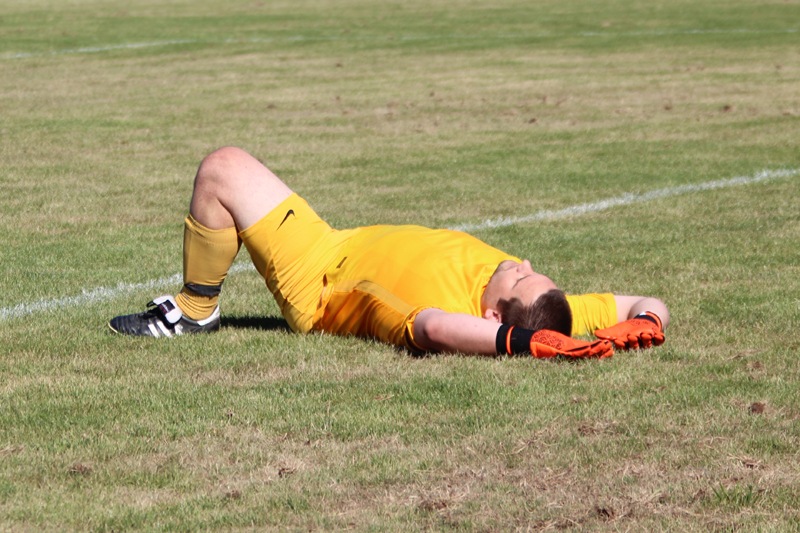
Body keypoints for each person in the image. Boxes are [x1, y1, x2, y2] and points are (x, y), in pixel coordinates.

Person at [110, 147, 669, 358]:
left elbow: (436, 331)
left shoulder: (446, 314)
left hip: (316, 281)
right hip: (334, 238)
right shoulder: (549, 307)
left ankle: (194, 312)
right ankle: (197, 309)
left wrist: (526, 345)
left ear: (493, 317)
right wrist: (645, 322)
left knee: (222, 169)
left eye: (520, 279)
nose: (521, 264)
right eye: (532, 270)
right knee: (224, 165)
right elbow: (647, 301)